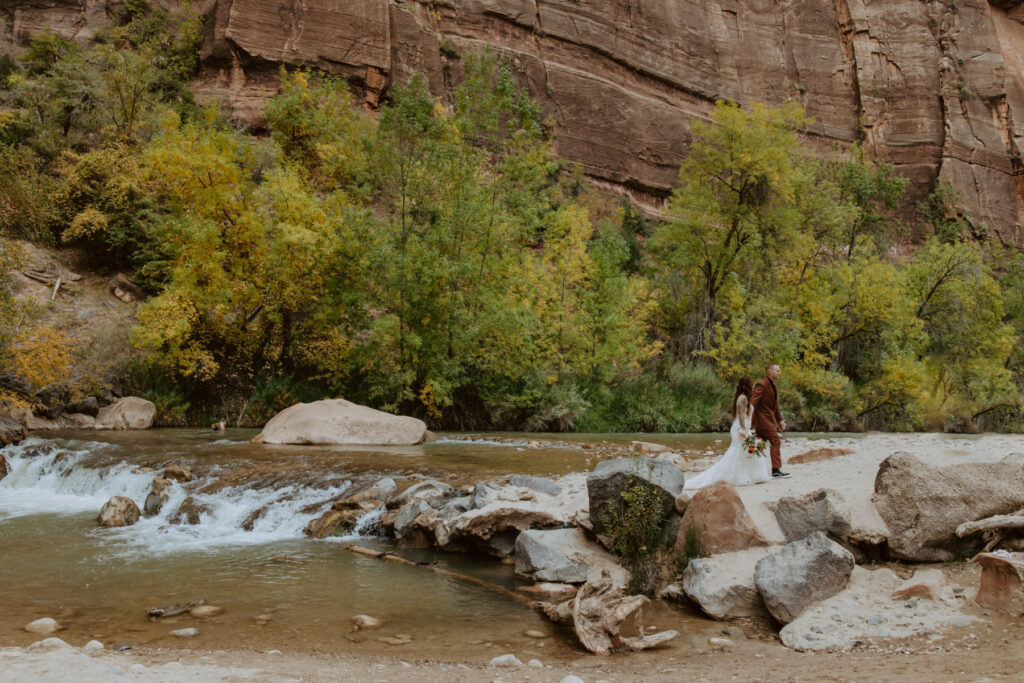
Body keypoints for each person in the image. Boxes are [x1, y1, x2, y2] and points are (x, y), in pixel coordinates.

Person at [684, 377, 771, 489]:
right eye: (751, 384)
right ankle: (736, 477)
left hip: (745, 428)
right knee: (739, 452)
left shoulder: (746, 398)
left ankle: (752, 476)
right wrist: (744, 429)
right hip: (740, 429)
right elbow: (740, 415)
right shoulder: (742, 398)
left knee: (751, 451)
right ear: (747, 385)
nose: (753, 386)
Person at [751, 363, 790, 478]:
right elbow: (752, 403)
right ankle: (776, 471)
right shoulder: (761, 385)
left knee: (759, 444)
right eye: (777, 371)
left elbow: (775, 406)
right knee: (776, 441)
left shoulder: (774, 385)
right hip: (763, 420)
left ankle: (752, 469)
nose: (779, 373)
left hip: (769, 419)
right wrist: (748, 421)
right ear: (770, 372)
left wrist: (780, 420)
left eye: (779, 370)